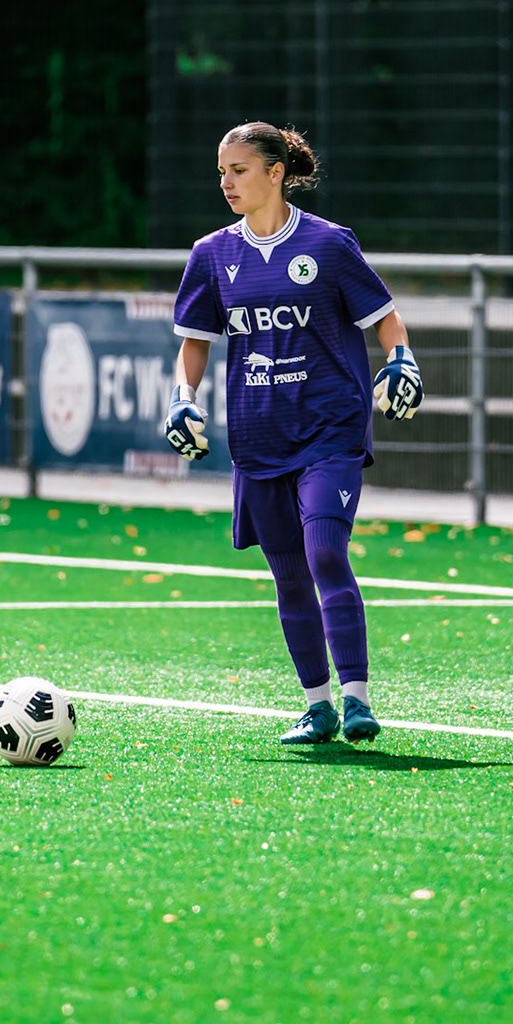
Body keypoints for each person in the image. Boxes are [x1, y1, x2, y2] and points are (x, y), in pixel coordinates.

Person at [162, 122, 422, 745]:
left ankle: (357, 698)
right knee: (288, 578)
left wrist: (402, 360)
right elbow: (194, 344)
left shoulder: (329, 245)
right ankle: (318, 706)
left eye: (239, 170)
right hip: (257, 437)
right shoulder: (211, 254)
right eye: (221, 172)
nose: (227, 183)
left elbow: (385, 320)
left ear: (275, 173)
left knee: (326, 552)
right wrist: (181, 399)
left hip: (329, 428)